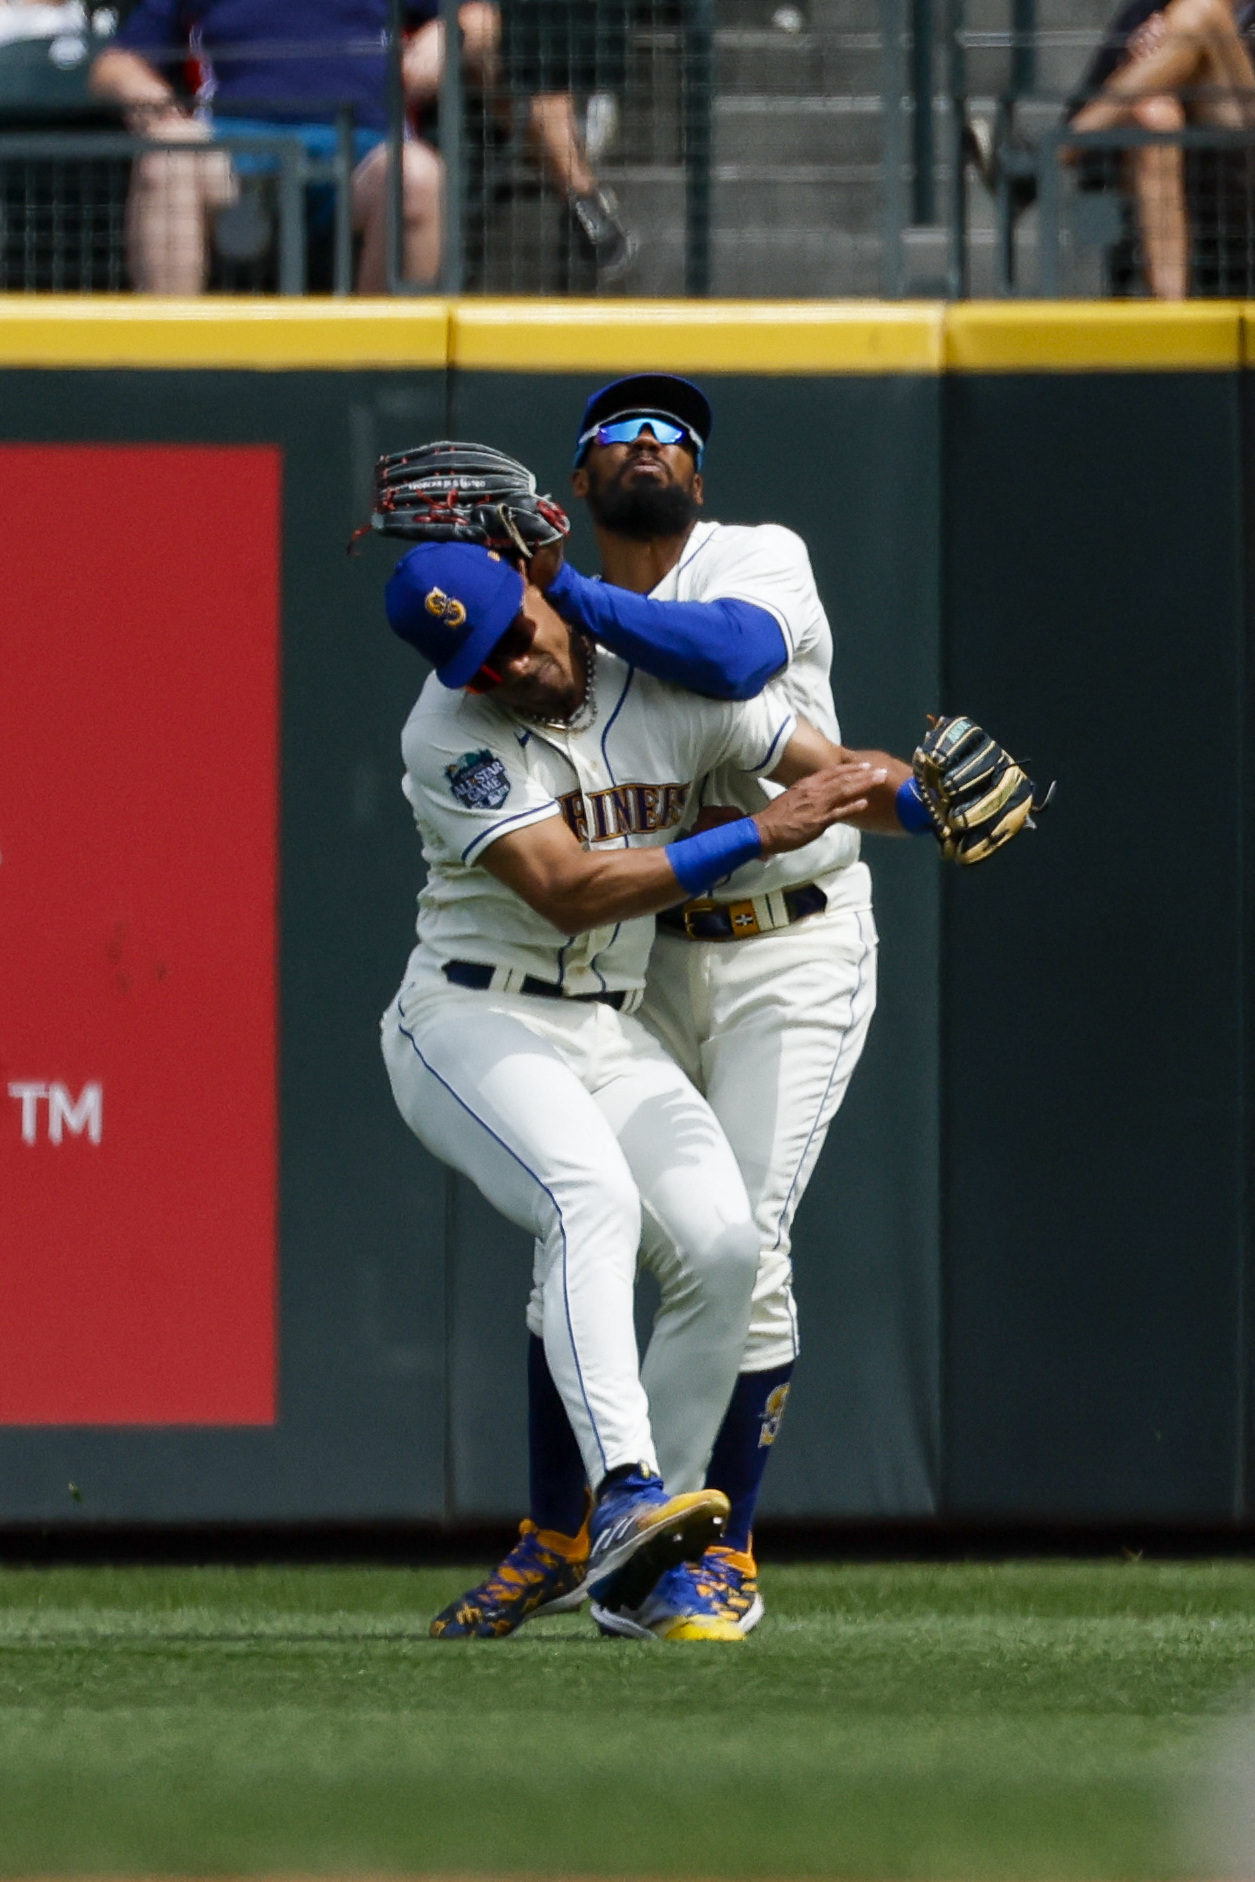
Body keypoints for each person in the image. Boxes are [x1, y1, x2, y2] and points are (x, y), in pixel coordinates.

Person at [426, 376, 945, 1644]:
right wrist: (536, 604)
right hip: (640, 955)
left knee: (738, 1247)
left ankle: (711, 1554)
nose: (650, 444)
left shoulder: (753, 558)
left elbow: (736, 657)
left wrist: (933, 807)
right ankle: (567, 1531)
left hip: (793, 948)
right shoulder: (491, 692)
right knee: (582, 1253)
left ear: (697, 479)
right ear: (581, 474)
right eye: (621, 432)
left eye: (674, 435)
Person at [89, 0, 442, 294]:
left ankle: (385, 366)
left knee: (417, 175)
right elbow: (116, 63)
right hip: (233, 152)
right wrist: (146, 93)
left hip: (360, 157)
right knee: (170, 151)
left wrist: (446, 35)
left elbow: (478, 16)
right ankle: (171, 364)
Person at [402, 1, 634, 279]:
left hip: (489, 43)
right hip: (395, 43)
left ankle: (582, 199)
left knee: (485, 28)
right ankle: (584, 199)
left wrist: (452, 28)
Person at [1067, 0, 1255, 297]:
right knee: (1154, 116)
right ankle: (1172, 315)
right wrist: (1137, 63)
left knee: (1201, 14)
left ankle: (1050, 156)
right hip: (1180, 173)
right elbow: (1079, 110)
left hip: (1245, 159)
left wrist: (1182, 57)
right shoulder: (1147, 9)